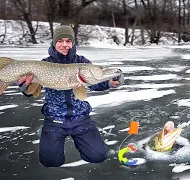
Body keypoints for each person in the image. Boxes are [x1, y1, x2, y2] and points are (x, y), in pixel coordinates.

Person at [17, 25, 124, 167]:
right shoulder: (45, 64)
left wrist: (109, 82)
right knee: (50, 161)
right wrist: (26, 88)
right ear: (54, 43)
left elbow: (93, 83)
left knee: (98, 156)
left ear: (73, 43)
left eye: (68, 41)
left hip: (80, 118)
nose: (65, 45)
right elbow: (32, 90)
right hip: (55, 119)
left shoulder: (83, 63)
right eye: (60, 41)